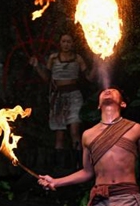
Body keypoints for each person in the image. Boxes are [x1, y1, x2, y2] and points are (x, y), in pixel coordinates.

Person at [29, 33, 94, 166]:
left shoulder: (78, 58)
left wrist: (99, 62)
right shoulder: (53, 58)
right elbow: (46, 78)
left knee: (75, 131)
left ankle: (79, 164)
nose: (66, 44)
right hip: (58, 97)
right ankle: (59, 165)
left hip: (74, 95)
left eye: (69, 42)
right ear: (60, 43)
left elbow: (89, 77)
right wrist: (36, 66)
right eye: (63, 41)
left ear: (73, 44)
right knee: (60, 133)